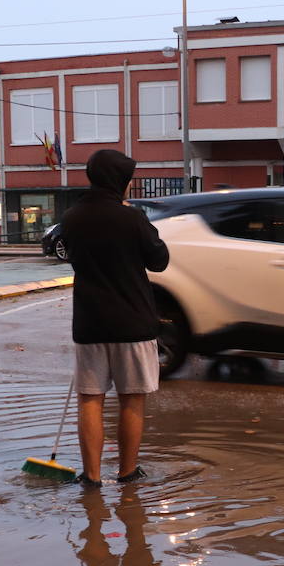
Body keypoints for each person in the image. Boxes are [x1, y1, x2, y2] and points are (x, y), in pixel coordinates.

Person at [61, 149, 170, 488]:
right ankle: (127, 471)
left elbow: (72, 256)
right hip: (132, 324)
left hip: (90, 323)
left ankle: (91, 476)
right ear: (120, 181)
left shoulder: (72, 217)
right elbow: (159, 261)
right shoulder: (132, 218)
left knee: (90, 399)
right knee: (132, 398)